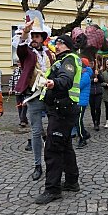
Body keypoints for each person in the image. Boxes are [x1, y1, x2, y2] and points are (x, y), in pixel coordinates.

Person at [35, 34, 82, 204]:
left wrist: (55, 83)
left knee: (53, 148)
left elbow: (66, 79)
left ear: (66, 45)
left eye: (59, 43)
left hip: (62, 108)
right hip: (62, 108)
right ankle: (71, 181)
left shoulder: (69, 60)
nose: (57, 45)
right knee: (65, 145)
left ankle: (52, 189)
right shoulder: (61, 60)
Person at [15, 20, 53, 181]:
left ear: (42, 38)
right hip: (34, 95)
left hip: (50, 95)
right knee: (36, 131)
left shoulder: (49, 53)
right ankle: (38, 166)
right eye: (33, 36)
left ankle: (53, 162)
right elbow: (20, 48)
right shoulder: (27, 53)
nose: (35, 39)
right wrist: (25, 32)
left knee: (53, 131)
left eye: (38, 36)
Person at [75, 58, 93, 148]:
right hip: (78, 101)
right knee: (77, 121)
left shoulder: (85, 75)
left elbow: (79, 86)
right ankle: (84, 134)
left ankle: (83, 138)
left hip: (81, 101)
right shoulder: (82, 74)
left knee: (78, 121)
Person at [8, 59, 28, 127]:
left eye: (20, 62)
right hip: (17, 91)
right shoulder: (15, 71)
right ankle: (23, 120)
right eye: (18, 62)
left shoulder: (26, 70)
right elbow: (12, 79)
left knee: (24, 105)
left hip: (25, 91)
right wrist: (11, 88)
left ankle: (23, 120)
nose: (19, 64)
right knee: (19, 106)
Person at [89, 59, 104, 131]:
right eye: (90, 63)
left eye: (92, 63)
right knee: (92, 108)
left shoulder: (97, 70)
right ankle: (94, 121)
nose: (91, 64)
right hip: (91, 92)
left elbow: (102, 80)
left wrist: (98, 74)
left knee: (97, 107)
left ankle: (97, 122)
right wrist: (92, 80)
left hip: (98, 92)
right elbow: (86, 80)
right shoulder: (87, 71)